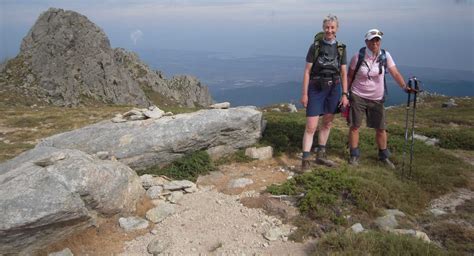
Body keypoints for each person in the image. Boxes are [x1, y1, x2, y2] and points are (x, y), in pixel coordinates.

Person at [347, 29, 412, 169]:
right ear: (366, 42)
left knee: (381, 128)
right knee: (355, 126)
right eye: (372, 40)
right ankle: (354, 155)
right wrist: (345, 94)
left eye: (377, 40)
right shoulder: (358, 56)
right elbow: (349, 76)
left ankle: (383, 156)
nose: (375, 43)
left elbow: (394, 72)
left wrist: (404, 86)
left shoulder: (385, 55)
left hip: (377, 97)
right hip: (358, 95)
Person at [300, 14, 349, 171]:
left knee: (327, 122)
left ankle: (321, 154)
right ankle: (305, 160)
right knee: (311, 126)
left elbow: (343, 73)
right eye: (327, 27)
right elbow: (307, 71)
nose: (329, 30)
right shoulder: (315, 47)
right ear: (323, 28)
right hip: (316, 87)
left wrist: (345, 93)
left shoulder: (341, 48)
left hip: (334, 88)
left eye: (332, 27)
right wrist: (305, 94)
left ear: (337, 29)